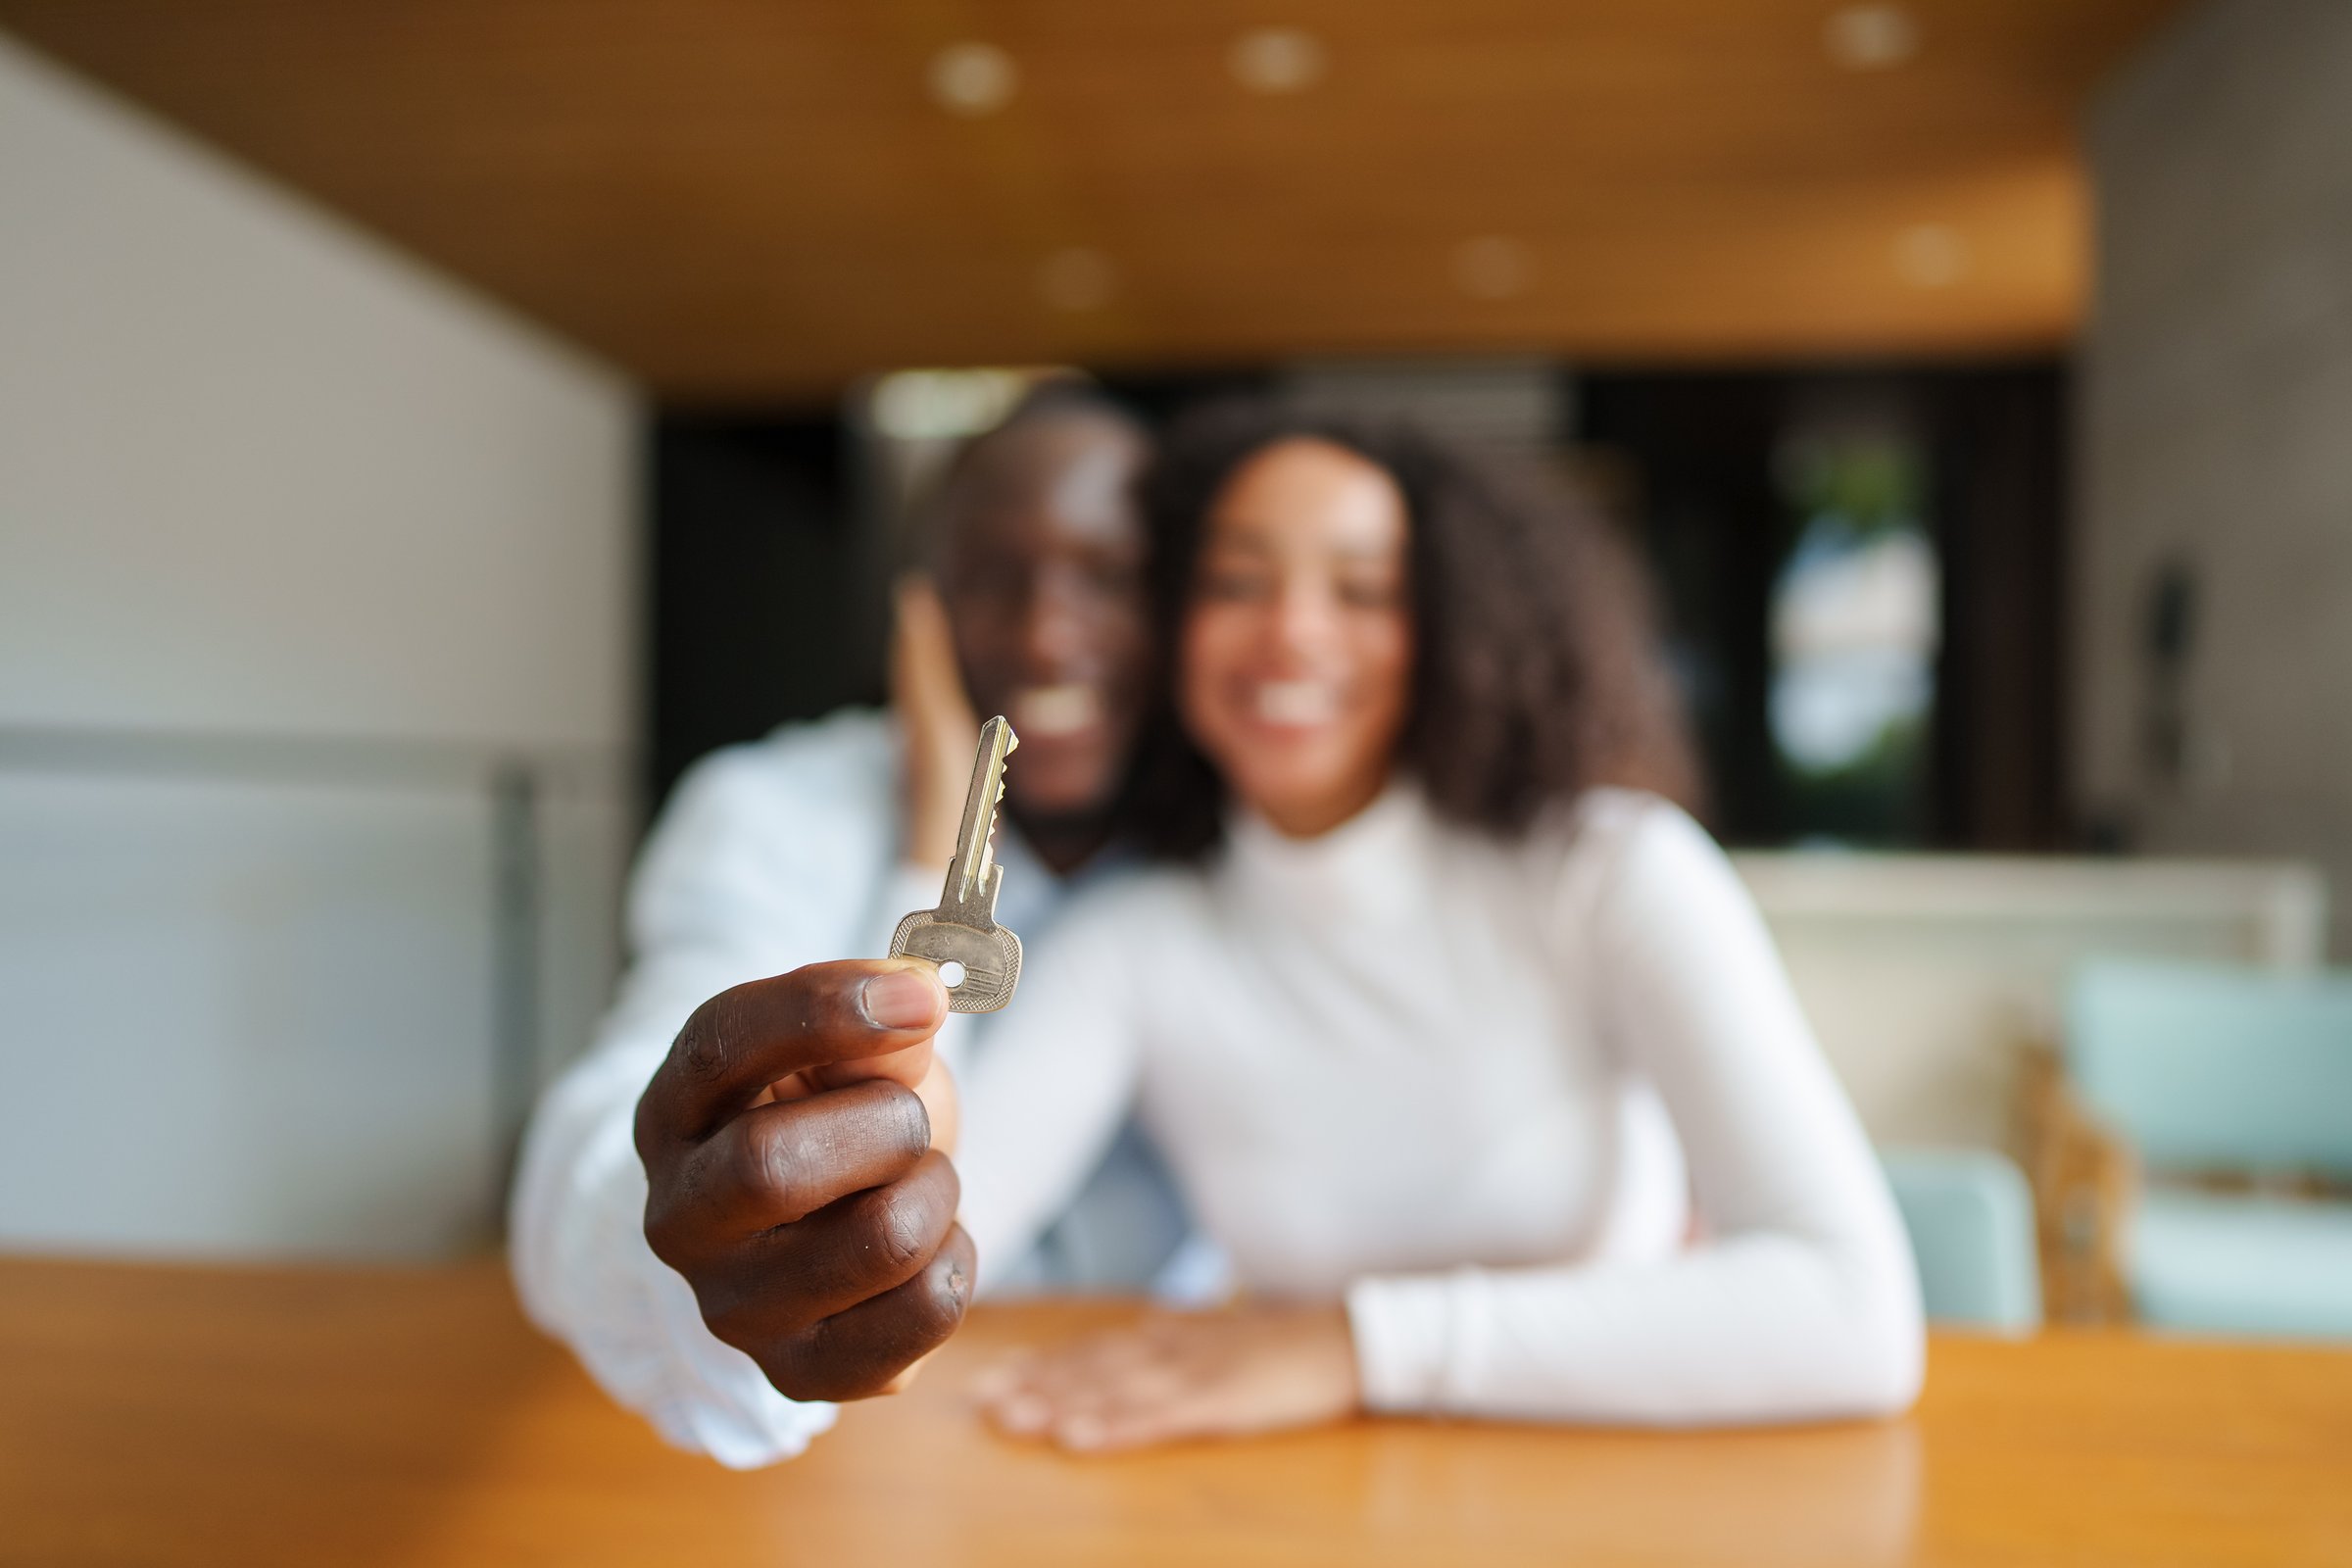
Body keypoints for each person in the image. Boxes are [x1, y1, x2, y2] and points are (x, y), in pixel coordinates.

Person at [958, 397, 1926, 1453]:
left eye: (1363, 589)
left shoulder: (1606, 870)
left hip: (1614, 1483)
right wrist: (939, 824)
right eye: (1237, 582)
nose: (1292, 629)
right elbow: (918, 1255)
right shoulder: (1138, 944)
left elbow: (1855, 1314)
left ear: (1456, 625)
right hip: (1303, 1506)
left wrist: (1355, 1347)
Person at [510, 388, 1188, 1467]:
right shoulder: (770, 809)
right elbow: (586, 1178)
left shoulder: (1232, 848)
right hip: (856, 1462)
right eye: (992, 576)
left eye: (1112, 577)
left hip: (1157, 1424)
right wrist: (935, 844)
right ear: (919, 608)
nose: (1050, 631)